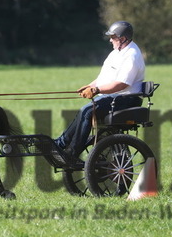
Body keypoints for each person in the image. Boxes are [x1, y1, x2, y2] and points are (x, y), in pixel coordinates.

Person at [55, 20, 145, 161]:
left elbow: (121, 84)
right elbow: (103, 78)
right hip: (115, 97)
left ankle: (72, 153)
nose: (110, 40)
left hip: (126, 99)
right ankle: (61, 144)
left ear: (122, 39)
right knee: (84, 111)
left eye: (113, 37)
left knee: (87, 111)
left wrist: (96, 90)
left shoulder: (132, 55)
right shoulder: (116, 53)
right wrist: (89, 86)